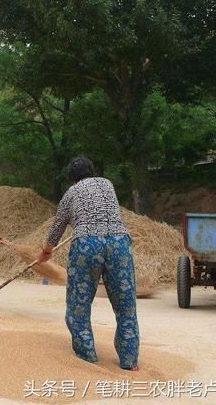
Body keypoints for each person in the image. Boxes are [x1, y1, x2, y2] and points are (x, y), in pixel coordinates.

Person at [37, 157, 139, 371]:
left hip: (87, 246)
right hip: (119, 244)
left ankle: (88, 358)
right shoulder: (107, 184)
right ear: (92, 172)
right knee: (126, 308)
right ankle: (129, 362)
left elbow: (57, 227)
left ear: (72, 179)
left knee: (79, 307)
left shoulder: (70, 194)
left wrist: (45, 253)